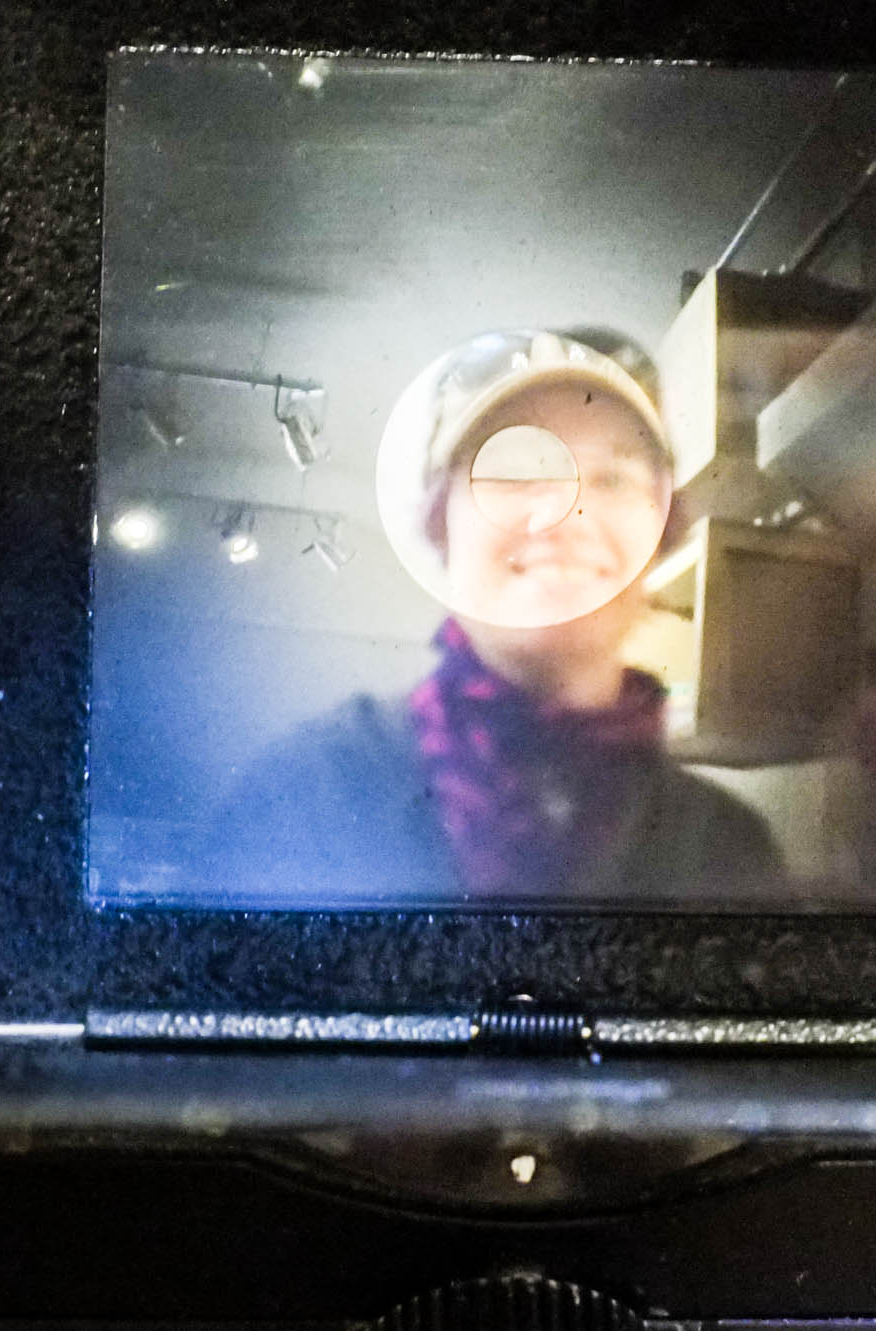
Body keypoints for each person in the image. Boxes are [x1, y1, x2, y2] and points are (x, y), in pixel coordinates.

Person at [217, 329, 787, 905]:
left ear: (663, 533)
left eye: (615, 479)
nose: (566, 514)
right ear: (440, 523)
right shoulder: (304, 800)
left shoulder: (731, 851)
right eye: (515, 470)